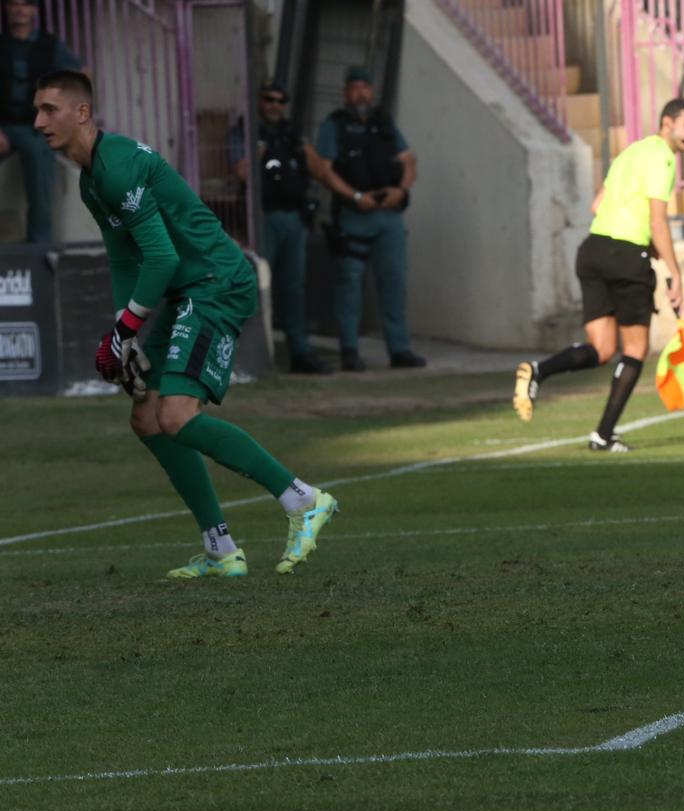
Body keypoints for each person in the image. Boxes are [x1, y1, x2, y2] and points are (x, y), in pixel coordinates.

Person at [33, 70, 339, 578]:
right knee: (147, 419)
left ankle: (302, 499)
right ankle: (220, 549)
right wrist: (120, 329)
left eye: (49, 109)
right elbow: (124, 260)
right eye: (37, 110)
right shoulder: (92, 178)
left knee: (174, 414)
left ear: (81, 112)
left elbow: (160, 256)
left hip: (215, 282)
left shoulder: (117, 168)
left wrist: (126, 331)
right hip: (186, 286)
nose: (38, 121)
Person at [512, 98, 684, 452]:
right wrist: (674, 273)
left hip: (593, 251)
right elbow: (657, 220)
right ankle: (603, 435)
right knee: (635, 349)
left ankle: (539, 370)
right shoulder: (662, 157)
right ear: (667, 123)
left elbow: (597, 205)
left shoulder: (630, 153)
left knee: (601, 350)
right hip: (627, 257)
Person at [314, 65, 425, 371]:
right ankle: (350, 350)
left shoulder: (384, 123)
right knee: (349, 283)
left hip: (388, 213)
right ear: (345, 92)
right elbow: (325, 170)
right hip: (354, 214)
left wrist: (401, 190)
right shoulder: (334, 125)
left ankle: (399, 349)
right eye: (354, 87)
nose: (360, 93)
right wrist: (356, 197)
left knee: (394, 281)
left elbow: (408, 161)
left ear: (371, 91)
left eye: (365, 87)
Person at [230, 82, 331, 374]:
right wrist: (258, 151)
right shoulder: (245, 131)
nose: (275, 105)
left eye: (280, 100)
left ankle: (300, 352)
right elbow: (240, 171)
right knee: (257, 284)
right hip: (263, 217)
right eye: (269, 100)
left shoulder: (292, 133)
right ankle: (252, 352)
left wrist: (302, 146)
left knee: (293, 287)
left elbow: (318, 170)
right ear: (258, 102)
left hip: (294, 218)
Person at [1, 0, 82, 243]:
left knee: (40, 173)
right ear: (7, 9)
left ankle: (39, 247)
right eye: (14, 4)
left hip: (35, 127)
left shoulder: (49, 45)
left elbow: (79, 76)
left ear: (34, 11)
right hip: (3, 127)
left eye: (25, 5)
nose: (19, 10)